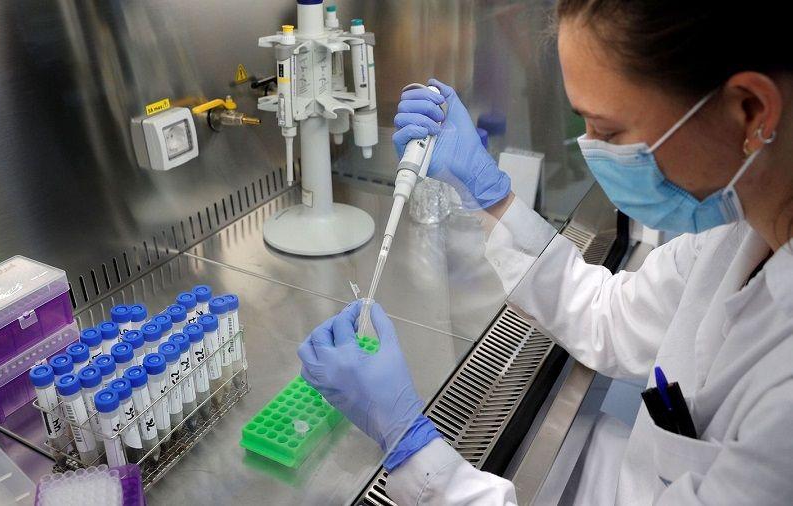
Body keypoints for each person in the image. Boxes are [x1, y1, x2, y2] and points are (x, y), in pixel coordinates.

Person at [298, 1, 793, 504]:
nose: (593, 150)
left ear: (751, 111)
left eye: (609, 130)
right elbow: (613, 318)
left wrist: (410, 444)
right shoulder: (739, 224)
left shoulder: (784, 402)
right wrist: (489, 194)